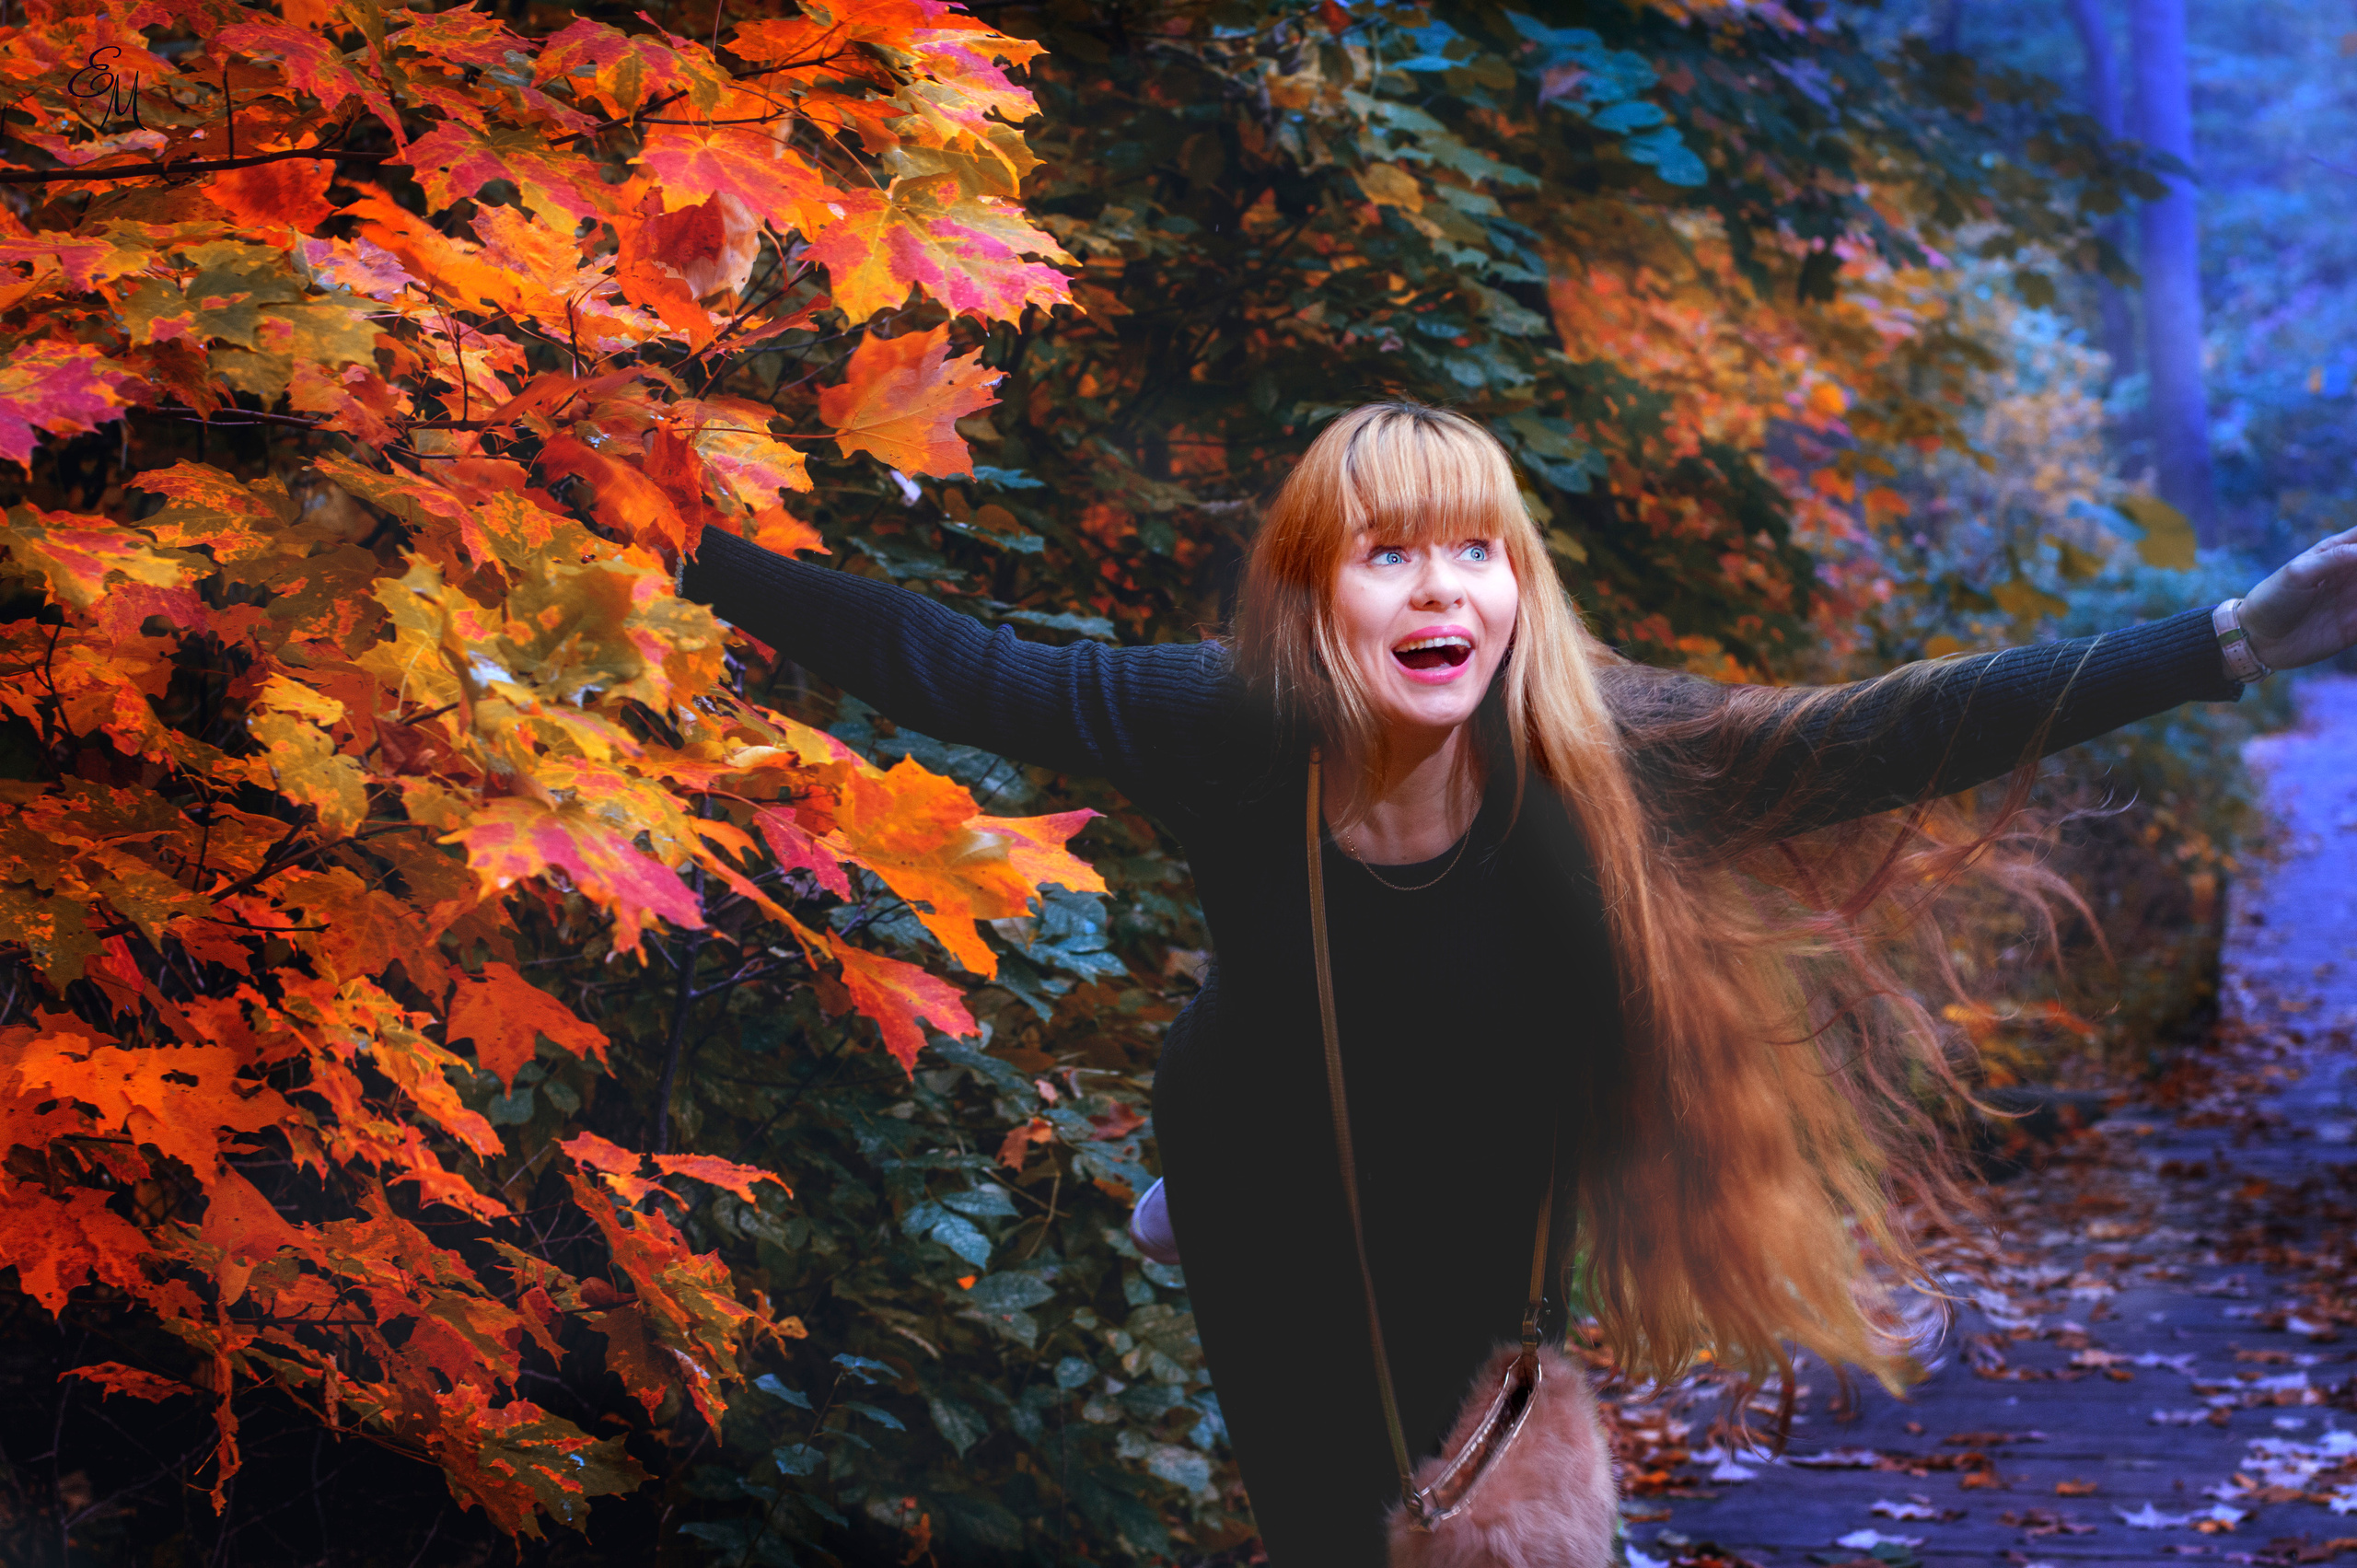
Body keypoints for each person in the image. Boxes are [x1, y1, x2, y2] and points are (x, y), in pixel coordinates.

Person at [680, 402, 2357, 1563]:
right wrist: (681, 541)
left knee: (1482, 1485)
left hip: (1489, 1164)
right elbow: (958, 667)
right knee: (1342, 1524)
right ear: (1309, 598)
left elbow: (1894, 726)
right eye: (1387, 557)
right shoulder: (1228, 718)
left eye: (1475, 554)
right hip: (1266, 1159)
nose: (1440, 592)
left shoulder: (1598, 747)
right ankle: (1206, 1207)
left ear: (1518, 588)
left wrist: (2231, 641)